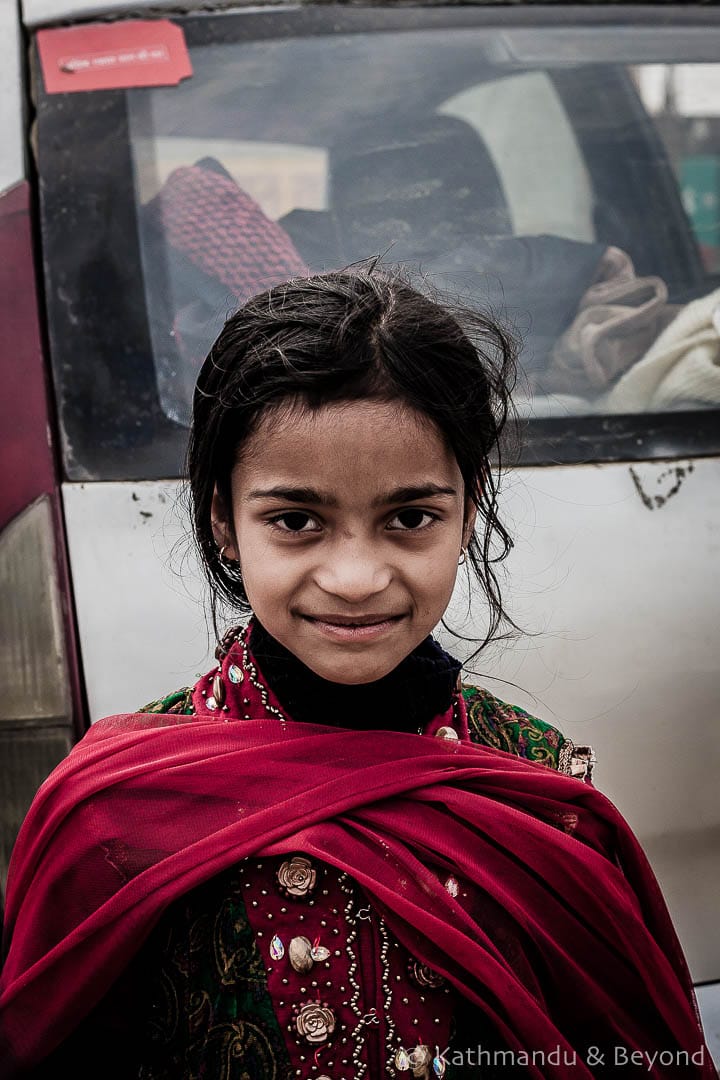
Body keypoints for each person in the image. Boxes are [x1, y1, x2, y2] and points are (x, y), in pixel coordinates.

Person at [0, 269, 713, 1079]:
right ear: (223, 523)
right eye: (296, 521)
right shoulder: (117, 810)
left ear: (467, 511)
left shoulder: (539, 786)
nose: (355, 577)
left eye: (410, 518)